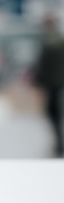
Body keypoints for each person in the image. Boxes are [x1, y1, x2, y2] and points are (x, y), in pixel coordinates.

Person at [34, 14, 64, 157]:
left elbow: (44, 65)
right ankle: (59, 142)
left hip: (54, 83)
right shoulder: (57, 39)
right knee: (55, 114)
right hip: (55, 82)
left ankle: (59, 143)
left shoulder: (51, 41)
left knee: (54, 113)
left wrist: (38, 80)